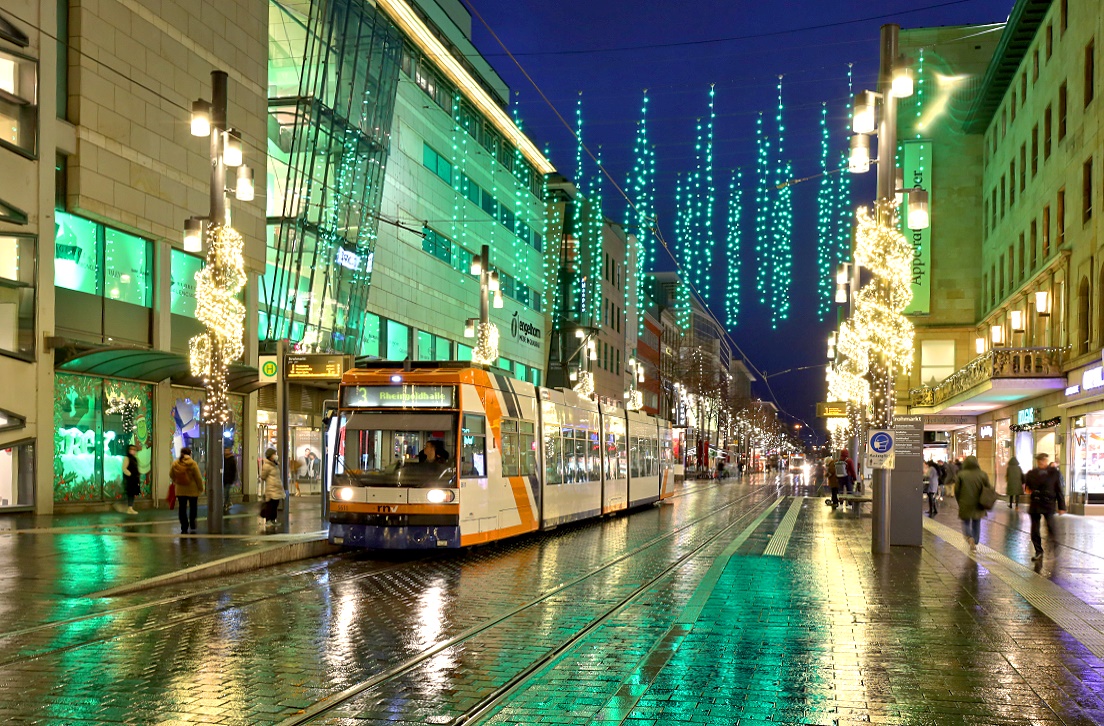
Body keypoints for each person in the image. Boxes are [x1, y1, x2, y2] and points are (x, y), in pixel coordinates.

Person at [1024, 452, 1065, 560]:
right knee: (1035, 530)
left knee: (1051, 526)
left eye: (1044, 460)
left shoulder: (1053, 473)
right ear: (1037, 461)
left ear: (1047, 461)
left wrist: (1062, 506)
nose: (1042, 462)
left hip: (1048, 503)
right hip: (1035, 504)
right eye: (1040, 460)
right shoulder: (1032, 473)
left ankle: (1055, 544)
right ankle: (1038, 551)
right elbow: (1028, 488)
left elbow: (1058, 489)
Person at [955, 455, 991, 551]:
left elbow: (957, 490)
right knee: (976, 522)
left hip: (964, 502)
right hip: (979, 503)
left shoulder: (961, 474)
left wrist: (959, 501)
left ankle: (969, 537)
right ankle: (975, 540)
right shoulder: (983, 474)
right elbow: (989, 488)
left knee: (966, 522)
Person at [170, 447, 204, 534]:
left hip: (180, 490)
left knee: (182, 508)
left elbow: (171, 474)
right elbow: (198, 478)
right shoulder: (193, 463)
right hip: (192, 489)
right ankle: (192, 523)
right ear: (190, 454)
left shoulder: (175, 463)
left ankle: (184, 526)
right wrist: (201, 488)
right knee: (193, 507)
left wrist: (176, 481)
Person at [259, 448, 284, 529]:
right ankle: (268, 520)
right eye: (274, 454)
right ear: (270, 456)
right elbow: (263, 476)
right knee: (270, 505)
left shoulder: (275, 464)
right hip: (271, 488)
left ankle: (273, 519)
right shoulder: (267, 465)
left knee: (275, 505)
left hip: (277, 488)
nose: (276, 455)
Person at [122, 444, 141, 514]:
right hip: (129, 480)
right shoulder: (127, 458)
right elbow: (124, 468)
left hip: (134, 479)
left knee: (132, 493)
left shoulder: (134, 459)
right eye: (131, 449)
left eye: (134, 449)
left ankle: (130, 507)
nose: (133, 451)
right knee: (130, 493)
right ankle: (129, 508)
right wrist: (130, 474)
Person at [223, 447, 238, 514]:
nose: (226, 452)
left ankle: (226, 503)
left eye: (227, 450)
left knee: (226, 492)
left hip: (229, 478)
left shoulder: (232, 460)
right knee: (226, 492)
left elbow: (234, 470)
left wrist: (233, 478)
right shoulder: (223, 459)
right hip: (224, 478)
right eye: (225, 450)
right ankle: (229, 502)